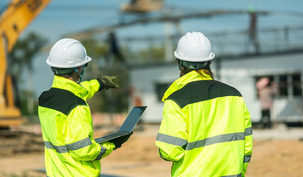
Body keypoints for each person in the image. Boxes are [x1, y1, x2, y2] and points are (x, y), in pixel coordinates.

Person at [155, 31, 253, 177]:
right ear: (210, 61)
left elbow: (170, 152)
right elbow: (246, 147)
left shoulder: (176, 100)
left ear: (179, 62)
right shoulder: (235, 95)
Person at [38, 38, 131, 177]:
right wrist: (112, 144)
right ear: (79, 68)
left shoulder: (45, 99)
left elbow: (77, 90)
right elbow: (84, 150)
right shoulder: (77, 107)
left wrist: (100, 83)